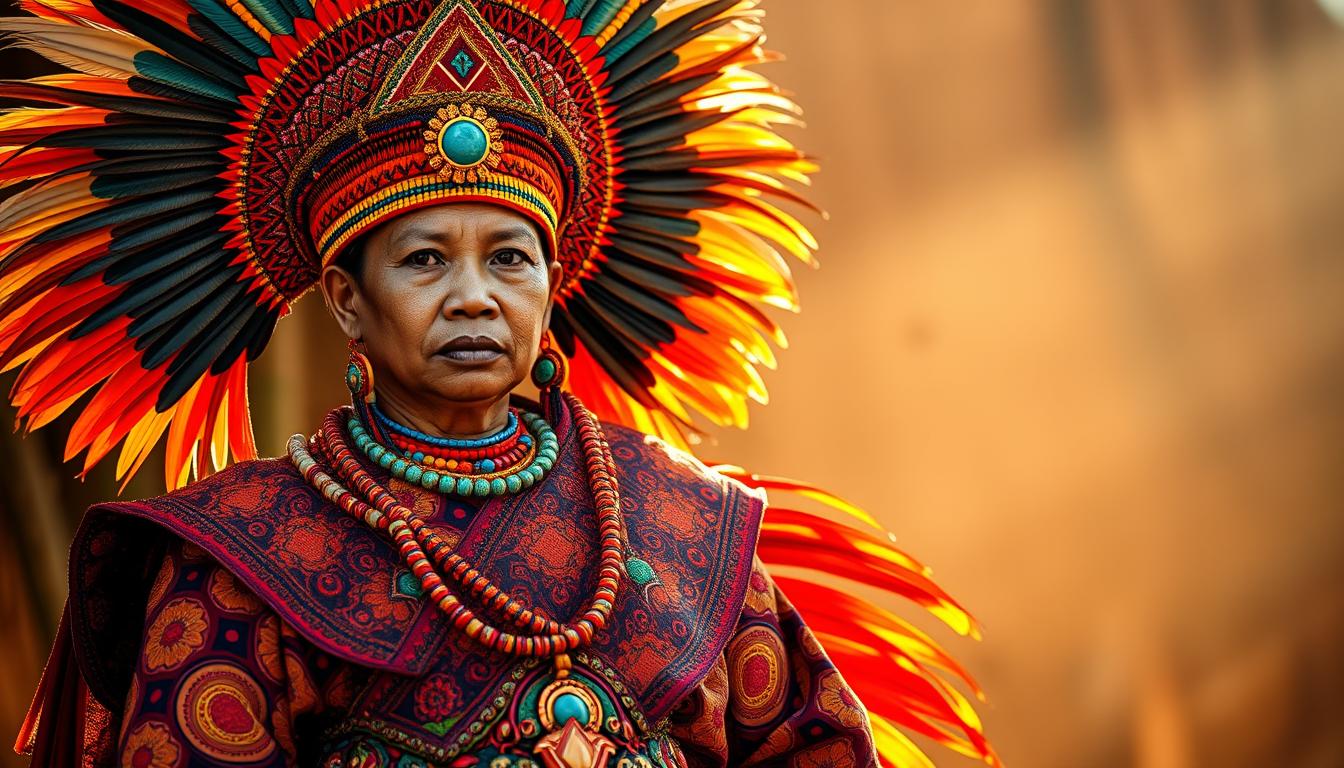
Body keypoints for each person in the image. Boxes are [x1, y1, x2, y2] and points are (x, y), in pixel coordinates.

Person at [0, 0, 997, 766]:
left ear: (553, 285)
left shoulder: (679, 527)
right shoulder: (246, 564)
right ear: (347, 300)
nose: (474, 297)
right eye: (426, 260)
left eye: (510, 260)